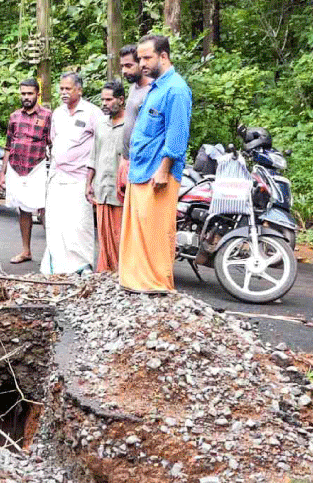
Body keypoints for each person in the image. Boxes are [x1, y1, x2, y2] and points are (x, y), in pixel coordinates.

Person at [119, 34, 192, 293]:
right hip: (140, 169)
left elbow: (177, 134)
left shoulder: (176, 89)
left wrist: (164, 170)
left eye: (147, 57)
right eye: (140, 58)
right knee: (137, 232)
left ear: (163, 56)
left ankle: (157, 285)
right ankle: (136, 283)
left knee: (157, 234)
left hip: (158, 173)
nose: (142, 62)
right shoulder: (156, 87)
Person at [40, 72, 104, 275]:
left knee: (78, 224)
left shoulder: (92, 113)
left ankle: (82, 266)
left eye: (68, 89)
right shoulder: (57, 113)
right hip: (58, 176)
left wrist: (94, 179)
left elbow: (102, 143)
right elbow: (54, 140)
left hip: (81, 178)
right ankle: (57, 267)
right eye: (62, 89)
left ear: (79, 90)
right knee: (56, 222)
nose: (64, 93)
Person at [0, 78, 52, 265]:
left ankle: (53, 254)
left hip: (37, 167)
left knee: (45, 209)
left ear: (38, 94)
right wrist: (2, 173)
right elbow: (8, 146)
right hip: (16, 168)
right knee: (23, 209)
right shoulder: (14, 117)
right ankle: (26, 251)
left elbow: (52, 144)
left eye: (30, 94)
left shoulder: (48, 116)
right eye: (23, 93)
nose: (26, 97)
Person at [85, 81, 125, 273]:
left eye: (109, 100)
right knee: (103, 235)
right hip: (102, 188)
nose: (104, 103)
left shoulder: (130, 125)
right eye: (103, 100)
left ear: (121, 100)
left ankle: (122, 274)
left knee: (120, 236)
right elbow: (94, 155)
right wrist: (88, 183)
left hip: (120, 191)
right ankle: (105, 274)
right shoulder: (100, 124)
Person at [117, 44, 153, 203]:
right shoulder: (133, 88)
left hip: (145, 164)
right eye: (122, 66)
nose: (124, 71)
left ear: (141, 64)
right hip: (129, 162)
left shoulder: (152, 91)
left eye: (129, 65)